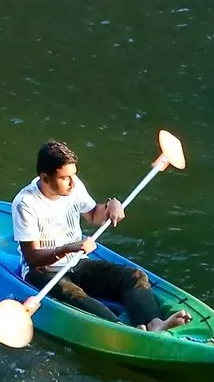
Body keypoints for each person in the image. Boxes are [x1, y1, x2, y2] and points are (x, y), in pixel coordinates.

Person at [11, 141, 191, 332]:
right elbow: (32, 259)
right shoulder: (25, 204)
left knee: (133, 276)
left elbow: (93, 215)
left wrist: (110, 206)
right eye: (65, 178)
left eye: (73, 174)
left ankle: (154, 324)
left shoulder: (73, 185)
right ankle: (123, 331)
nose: (73, 182)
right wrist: (68, 248)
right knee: (74, 295)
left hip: (77, 262)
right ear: (45, 178)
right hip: (43, 271)